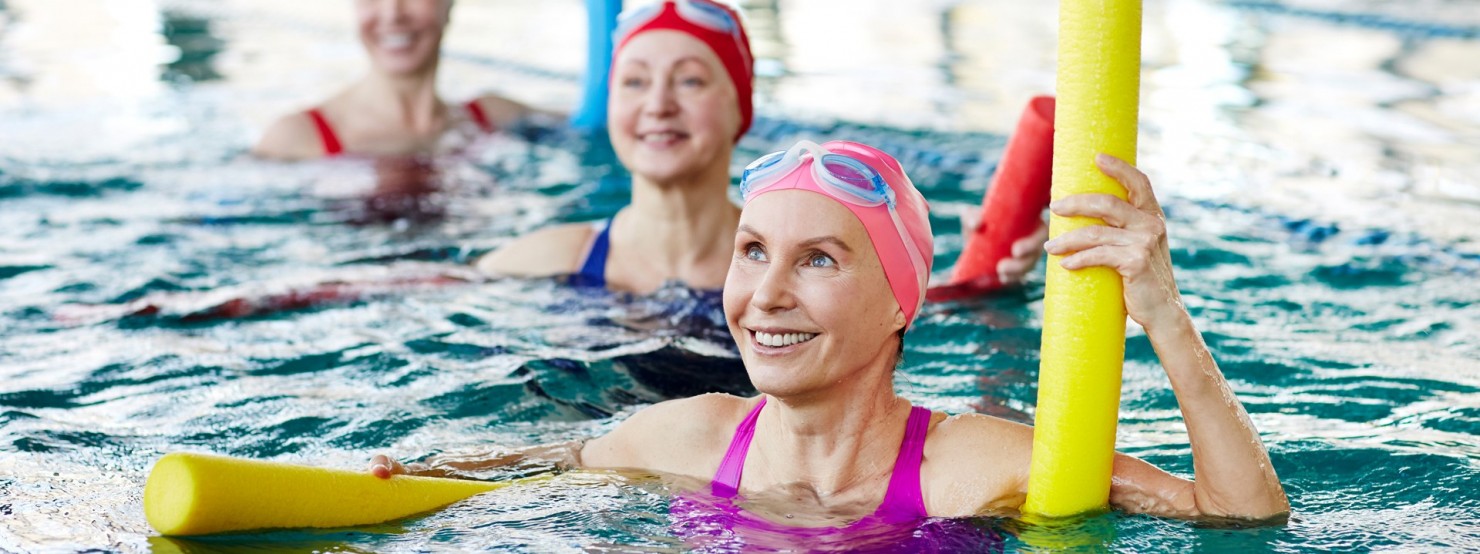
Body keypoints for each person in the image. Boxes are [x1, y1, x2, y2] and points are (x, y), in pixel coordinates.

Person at [371, 140, 1290, 531]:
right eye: (754, 251)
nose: (765, 294)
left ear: (900, 301)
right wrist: (410, 477)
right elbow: (536, 463)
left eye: (818, 261)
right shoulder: (684, 436)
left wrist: (1163, 312)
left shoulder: (976, 469)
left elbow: (1240, 518)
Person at [474, 0, 1049, 294]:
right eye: (634, 81)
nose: (658, 104)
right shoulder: (546, 262)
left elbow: (888, 321)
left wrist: (990, 284)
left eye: (691, 80)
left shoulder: (786, 268)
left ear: (738, 110)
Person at [253, 0, 548, 160]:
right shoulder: (296, 138)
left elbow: (590, 120)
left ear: (451, 5)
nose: (392, 13)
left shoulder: (495, 117)